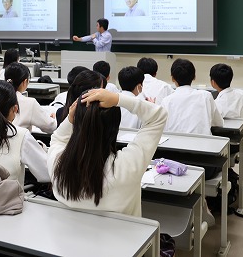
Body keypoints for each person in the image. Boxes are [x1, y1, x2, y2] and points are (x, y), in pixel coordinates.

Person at [49, 86, 167, 217]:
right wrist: (118, 99)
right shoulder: (127, 166)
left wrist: (70, 119)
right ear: (115, 126)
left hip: (71, 237)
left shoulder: (57, 165)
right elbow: (158, 116)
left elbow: (57, 139)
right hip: (126, 237)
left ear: (76, 121)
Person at [159, 58, 223, 137]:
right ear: (194, 77)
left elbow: (161, 129)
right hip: (203, 147)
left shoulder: (166, 101)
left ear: (172, 78)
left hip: (174, 146)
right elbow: (219, 124)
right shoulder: (206, 96)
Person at [5, 62, 56, 133]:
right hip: (19, 142)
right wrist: (53, 120)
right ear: (25, 81)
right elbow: (50, 127)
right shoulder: (29, 103)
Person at [210, 63, 243, 134]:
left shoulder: (217, 104)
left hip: (226, 138)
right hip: (242, 134)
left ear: (213, 82)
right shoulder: (242, 94)